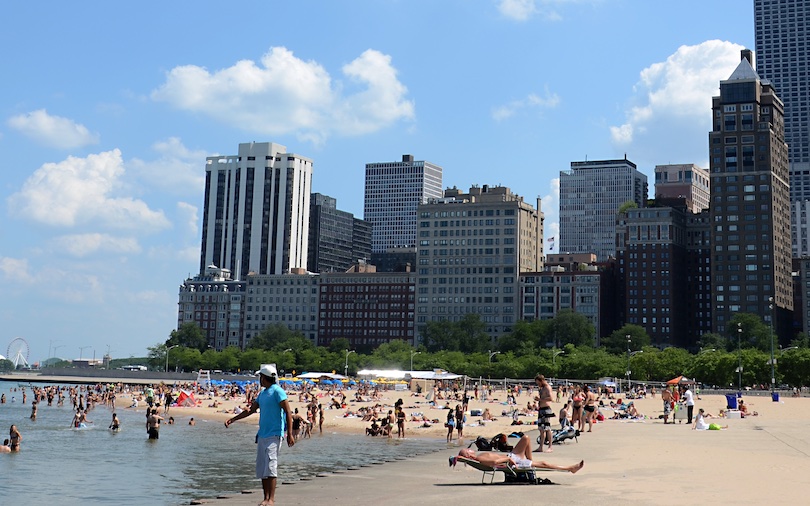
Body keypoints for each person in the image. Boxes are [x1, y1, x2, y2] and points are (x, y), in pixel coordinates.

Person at [225, 364, 295, 506]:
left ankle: (271, 499)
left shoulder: (278, 392)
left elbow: (288, 411)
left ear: (265, 378)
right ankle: (265, 497)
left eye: (260, 377)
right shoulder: (262, 394)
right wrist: (233, 419)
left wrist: (290, 434)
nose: (259, 380)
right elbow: (251, 410)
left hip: (275, 434)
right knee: (263, 468)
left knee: (271, 465)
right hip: (262, 434)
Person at [451, 435, 584, 473]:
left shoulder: (479, 457)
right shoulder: (479, 458)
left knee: (525, 438)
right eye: (468, 450)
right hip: (512, 461)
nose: (471, 449)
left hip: (511, 457)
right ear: (468, 456)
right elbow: (493, 463)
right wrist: (508, 460)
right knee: (544, 464)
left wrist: (508, 458)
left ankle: (531, 463)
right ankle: (570, 469)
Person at [534, 374, 554, 452]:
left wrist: (540, 399)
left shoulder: (547, 387)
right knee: (541, 429)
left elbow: (551, 398)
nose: (538, 384)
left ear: (541, 381)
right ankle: (541, 447)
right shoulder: (542, 388)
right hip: (541, 409)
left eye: (538, 383)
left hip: (546, 409)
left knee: (547, 428)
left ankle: (550, 447)